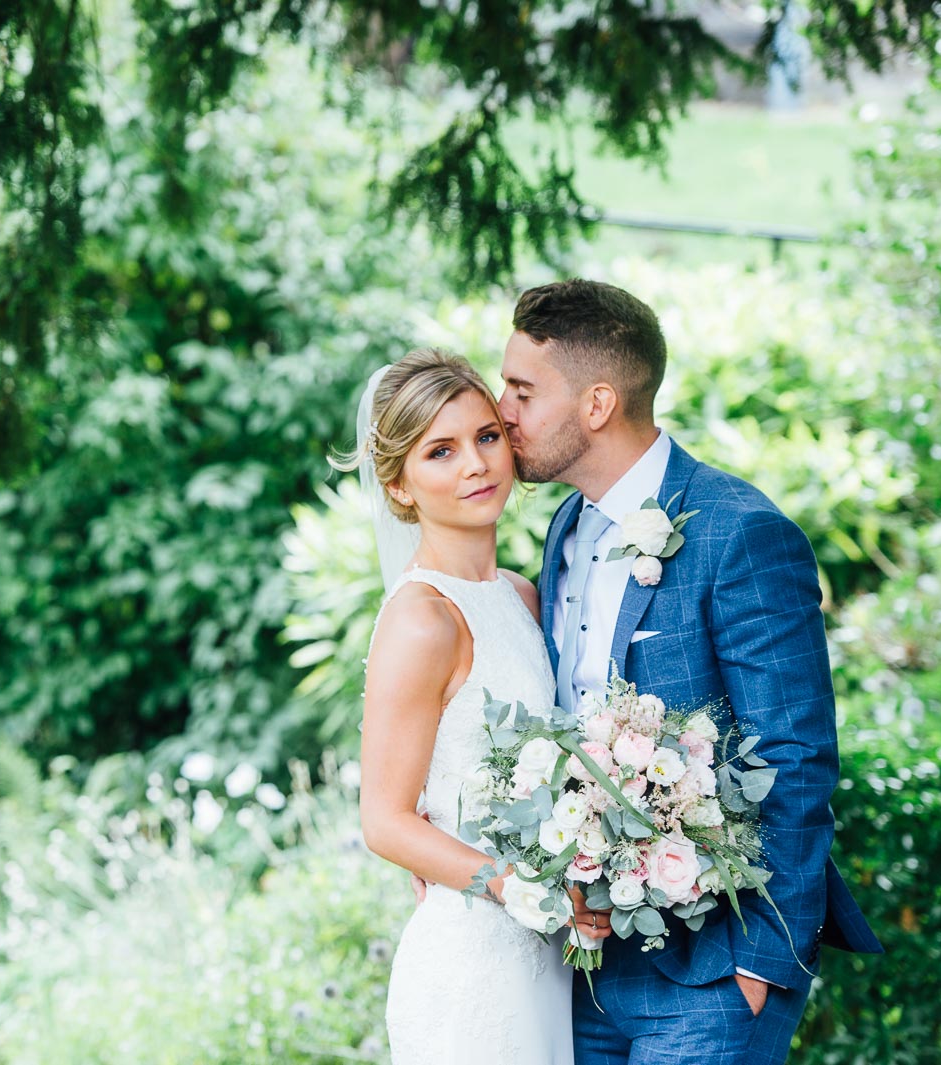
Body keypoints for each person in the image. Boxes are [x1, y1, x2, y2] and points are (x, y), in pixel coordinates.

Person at [497, 279, 883, 1064]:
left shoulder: (742, 532)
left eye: (522, 391)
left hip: (714, 972)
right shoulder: (565, 526)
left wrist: (762, 965)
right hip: (588, 965)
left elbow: (796, 754)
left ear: (597, 403)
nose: (501, 410)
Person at [341, 347, 574, 1065]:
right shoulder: (423, 618)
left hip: (550, 955)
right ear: (399, 485)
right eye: (440, 451)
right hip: (474, 960)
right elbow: (385, 820)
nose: (475, 464)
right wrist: (520, 889)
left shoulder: (521, 596)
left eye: (486, 436)